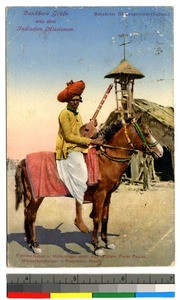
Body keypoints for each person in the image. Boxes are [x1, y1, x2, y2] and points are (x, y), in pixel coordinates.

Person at [55, 80, 103, 233]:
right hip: (69, 150)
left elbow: (82, 132)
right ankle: (79, 218)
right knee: (81, 177)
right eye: (73, 100)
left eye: (78, 100)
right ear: (68, 101)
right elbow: (69, 137)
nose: (76, 103)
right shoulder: (64, 114)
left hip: (81, 148)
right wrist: (91, 140)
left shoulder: (78, 114)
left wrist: (92, 126)